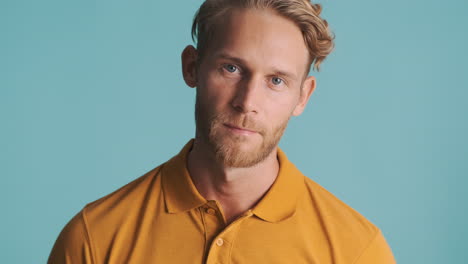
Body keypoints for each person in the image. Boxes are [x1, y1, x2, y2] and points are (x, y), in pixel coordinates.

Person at [48, 0, 396, 263]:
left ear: (302, 96)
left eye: (276, 81)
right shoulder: (94, 238)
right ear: (192, 68)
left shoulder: (357, 251)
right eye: (231, 68)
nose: (247, 102)